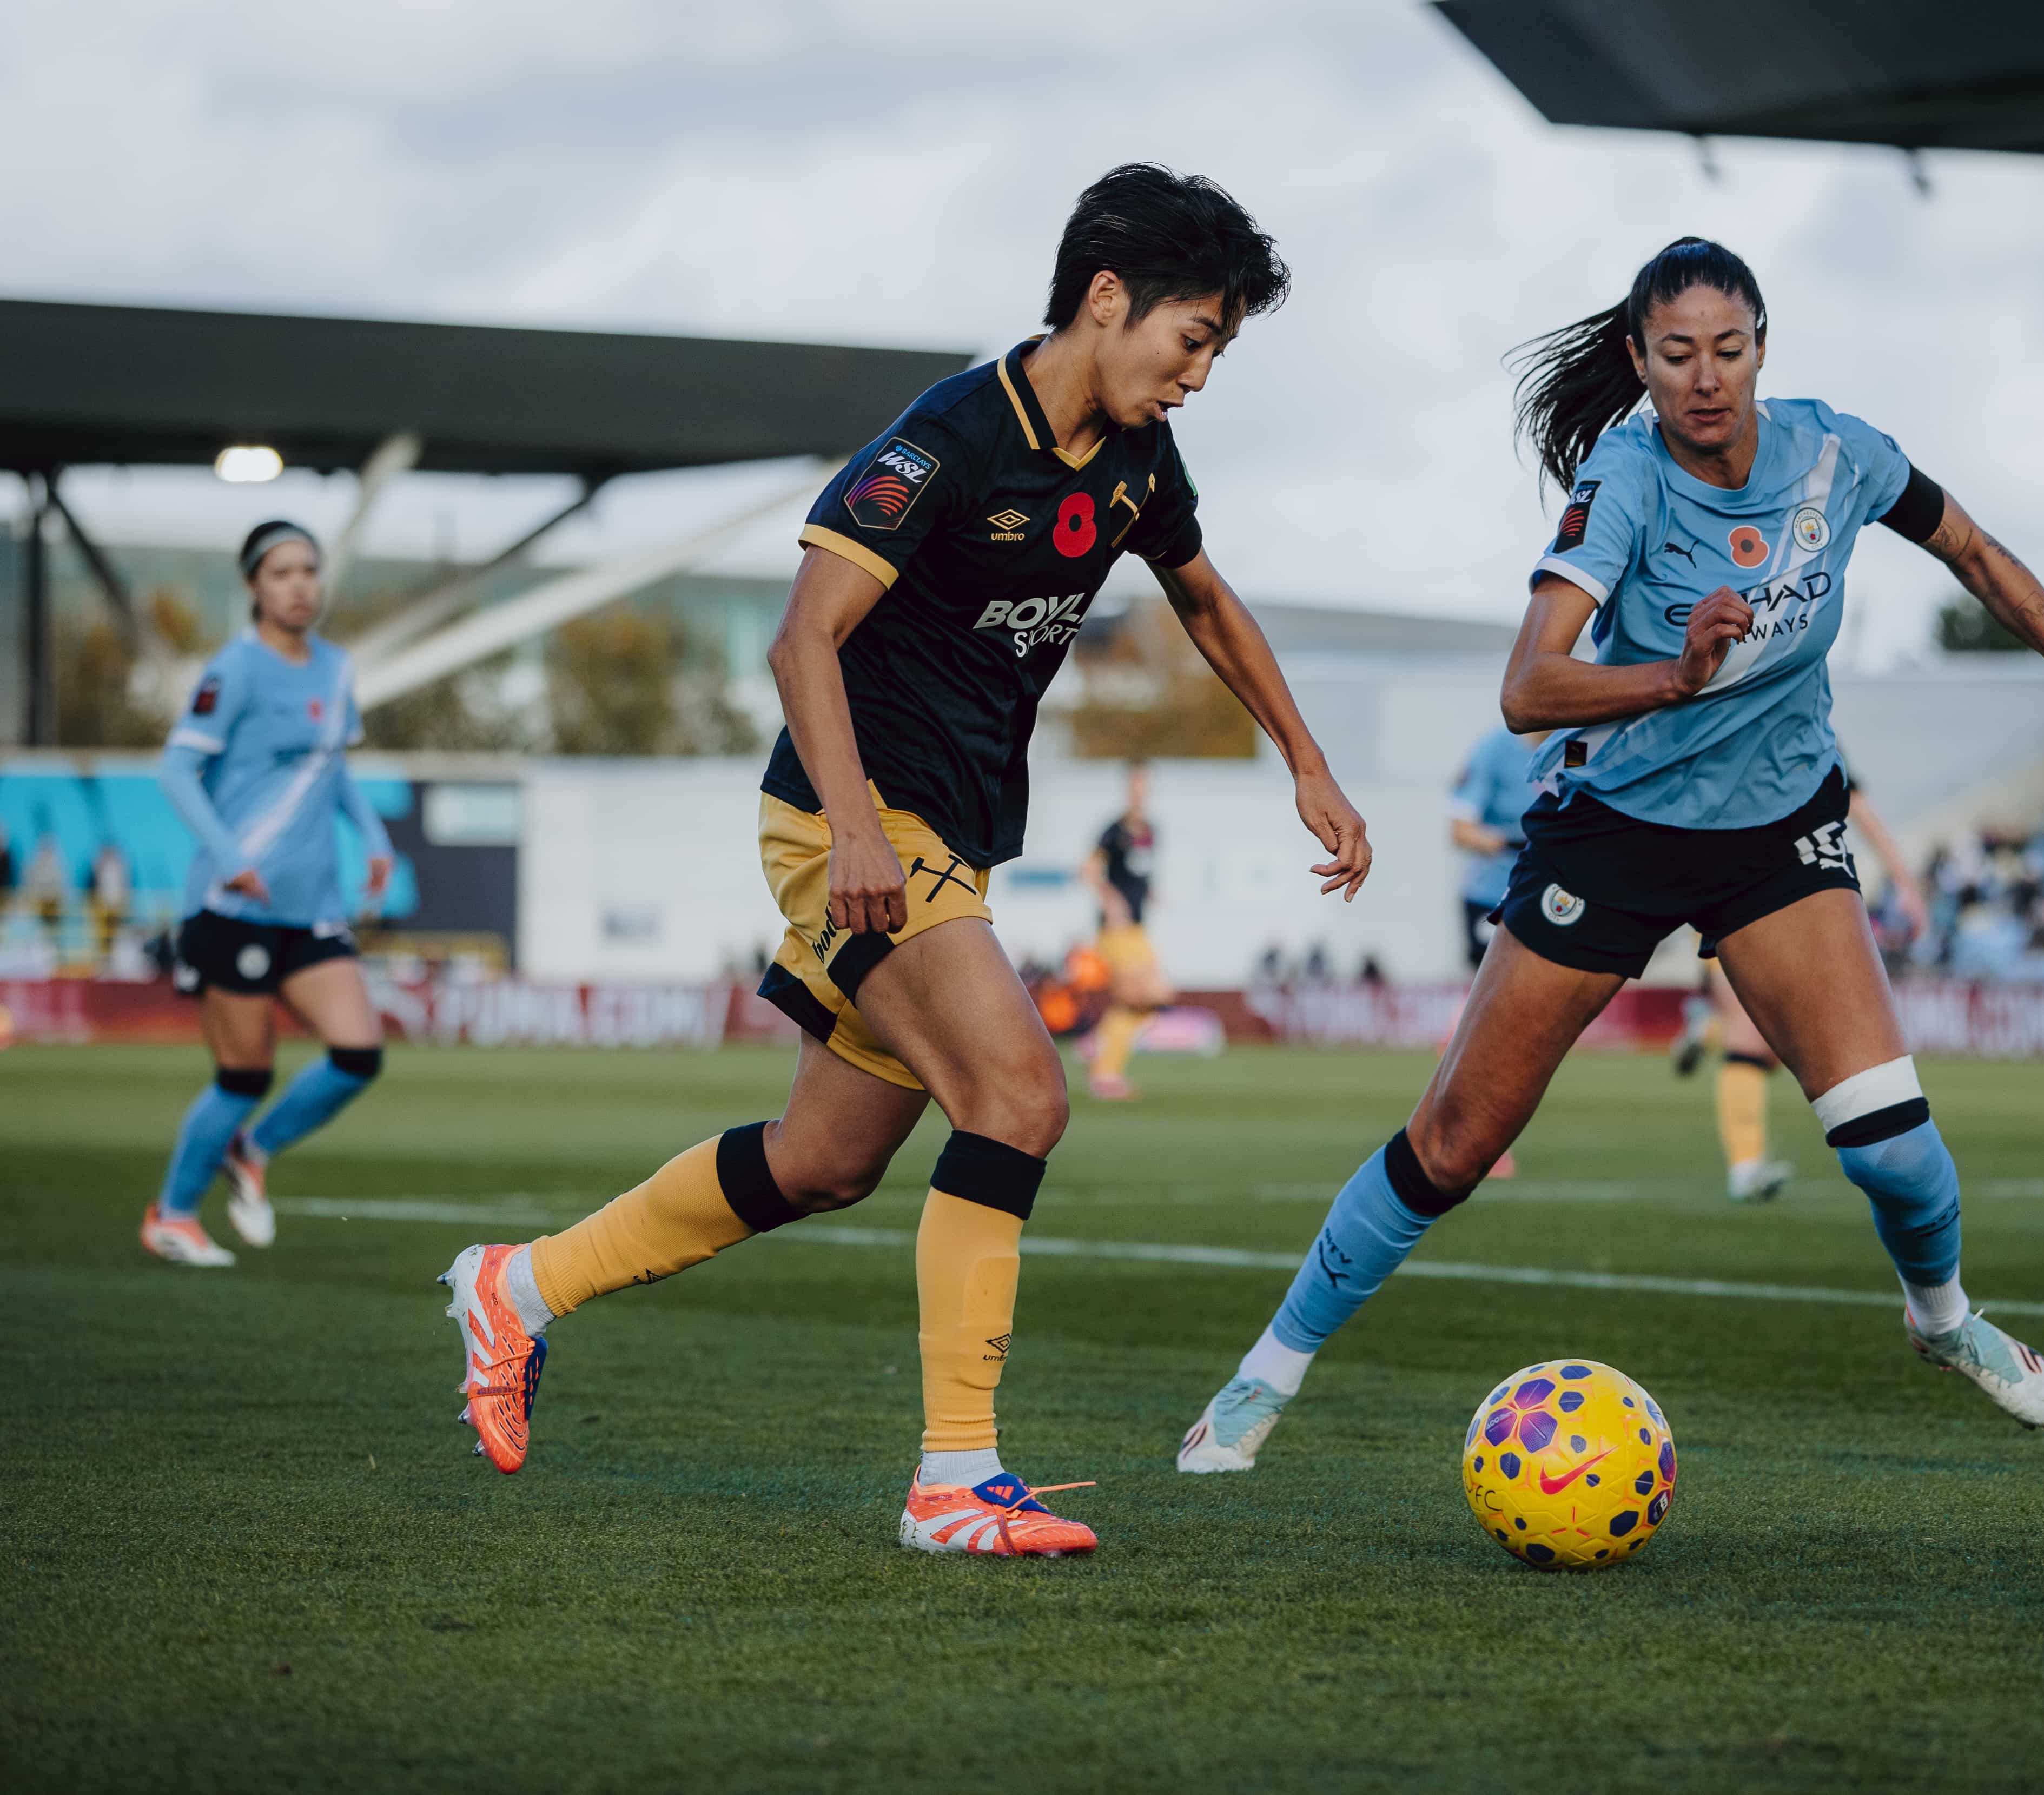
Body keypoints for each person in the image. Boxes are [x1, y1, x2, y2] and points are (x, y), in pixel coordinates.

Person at [434, 165, 1371, 1559]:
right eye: (1196, 339)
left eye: (1220, 350)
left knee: (822, 1163)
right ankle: (955, 1480)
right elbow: (800, 639)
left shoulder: (1134, 459)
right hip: (847, 822)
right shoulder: (943, 440)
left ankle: (518, 1287)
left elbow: (1205, 597)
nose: (1201, 373)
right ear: (1108, 300)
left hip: (945, 841)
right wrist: (862, 830)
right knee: (1016, 1094)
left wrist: (1302, 755)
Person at [1178, 237, 2044, 1474]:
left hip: (1776, 833)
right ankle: (1262, 1376)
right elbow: (1527, 690)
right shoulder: (1627, 479)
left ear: (1764, 347)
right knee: (1454, 1141)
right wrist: (1675, 677)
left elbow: (1975, 555)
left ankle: (1945, 1321)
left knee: (1899, 1154)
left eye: (1730, 349)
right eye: (1677, 354)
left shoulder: (1840, 453)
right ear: (1642, 364)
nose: (1706, 378)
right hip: (1617, 834)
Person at [144, 520, 393, 1268]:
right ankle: (173, 1214)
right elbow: (175, 771)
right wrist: (229, 858)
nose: (299, 585)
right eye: (281, 572)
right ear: (254, 586)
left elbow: (332, 768)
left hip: (311, 904)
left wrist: (374, 841)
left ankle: (251, 1151)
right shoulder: (237, 669)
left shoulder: (338, 667)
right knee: (244, 1073)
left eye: (309, 570)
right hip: (232, 908)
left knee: (359, 1052)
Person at [1682, 773, 1929, 1202]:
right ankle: (1745, 1167)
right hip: (1722, 881)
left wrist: (1905, 883)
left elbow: (1856, 803)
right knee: (1752, 1040)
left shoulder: (1803, 722)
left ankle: (1706, 1032)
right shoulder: (1704, 715)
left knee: (1783, 1037)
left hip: (1795, 890)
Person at [1079, 760, 1169, 1100]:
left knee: (1152, 1000)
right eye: (1134, 785)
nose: (1140, 792)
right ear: (1127, 788)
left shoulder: (1151, 830)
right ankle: (1105, 1075)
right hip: (1118, 931)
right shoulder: (1113, 831)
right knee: (1140, 998)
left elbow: (1140, 873)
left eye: (1144, 785)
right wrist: (1111, 899)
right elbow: (1088, 872)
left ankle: (1097, 1045)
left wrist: (1151, 893)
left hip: (1138, 928)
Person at [1450, 722, 1545, 969]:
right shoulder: (1494, 750)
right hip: (1494, 896)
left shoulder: (1578, 748)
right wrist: (1515, 842)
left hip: (1551, 895)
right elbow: (1461, 831)